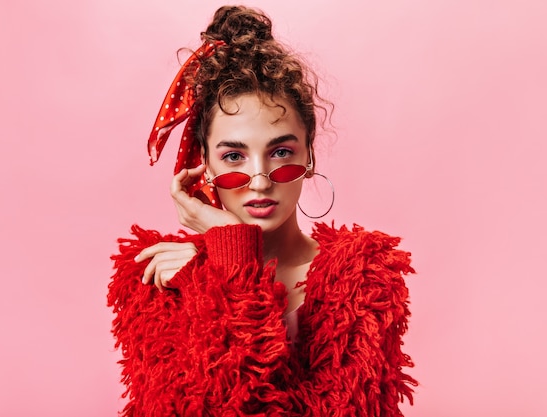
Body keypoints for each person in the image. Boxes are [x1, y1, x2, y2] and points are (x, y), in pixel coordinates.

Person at [108, 5, 417, 416]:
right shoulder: (157, 275)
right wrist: (225, 258)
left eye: (281, 152)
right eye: (234, 156)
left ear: (310, 157)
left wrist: (233, 251)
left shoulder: (365, 275)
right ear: (206, 164)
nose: (259, 179)